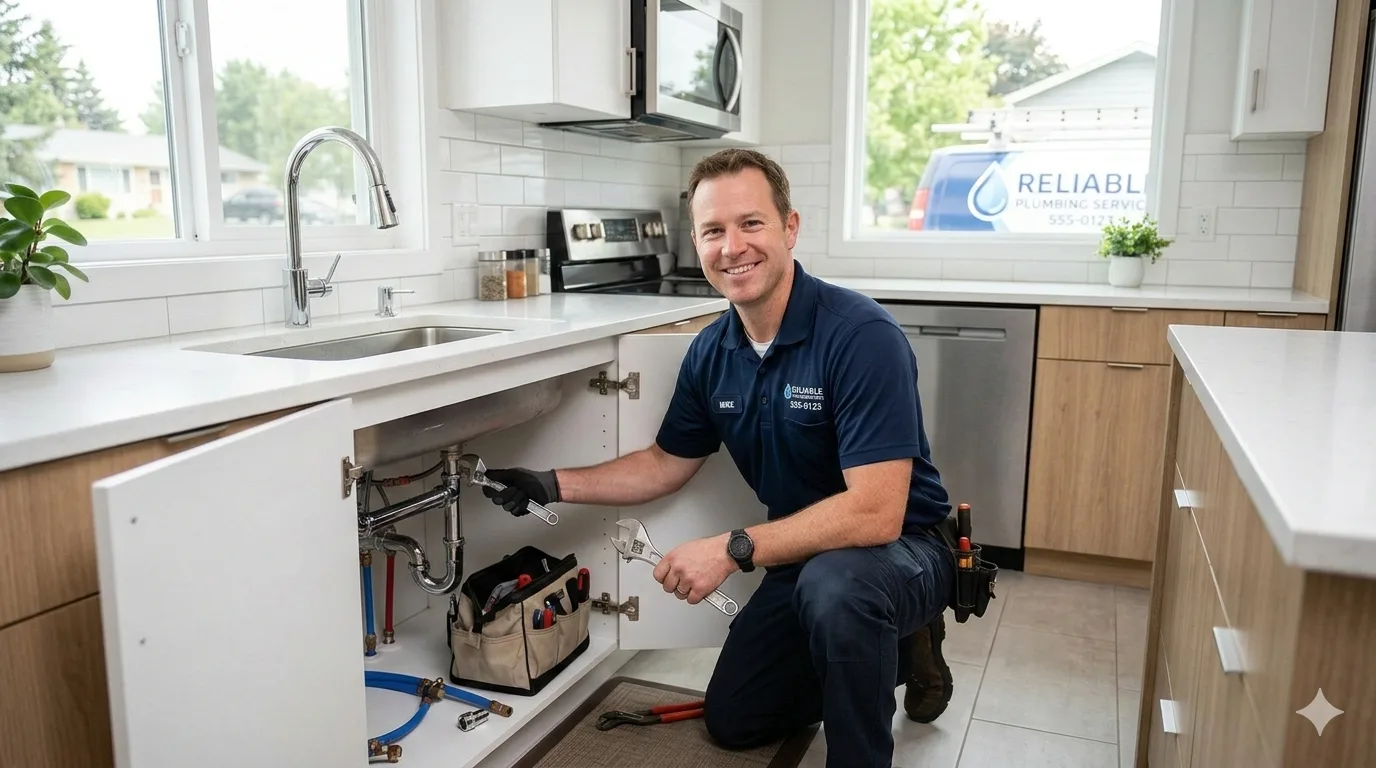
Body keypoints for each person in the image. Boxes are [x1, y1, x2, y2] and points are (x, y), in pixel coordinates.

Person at [480, 148, 956, 767]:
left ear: (790, 228)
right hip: (805, 558)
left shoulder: (861, 337)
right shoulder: (712, 351)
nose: (733, 246)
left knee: (840, 591)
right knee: (734, 719)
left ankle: (875, 694)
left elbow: (876, 514)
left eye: (751, 223)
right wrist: (550, 482)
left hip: (904, 549)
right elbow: (663, 463)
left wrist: (732, 548)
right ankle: (891, 648)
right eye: (713, 231)